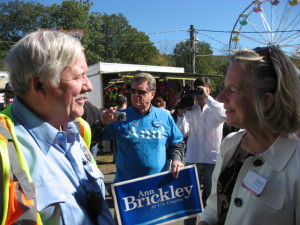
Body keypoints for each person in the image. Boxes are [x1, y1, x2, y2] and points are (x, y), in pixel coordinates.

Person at [2, 31, 114, 225]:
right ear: (40, 85)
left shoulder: (78, 128)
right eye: (79, 76)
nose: (89, 86)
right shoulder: (4, 146)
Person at [199, 46, 300, 225]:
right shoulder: (230, 144)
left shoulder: (296, 163)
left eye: (233, 89)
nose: (221, 97)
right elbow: (214, 205)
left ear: (266, 101)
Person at [101, 73, 185, 183]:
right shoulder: (119, 116)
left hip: (157, 184)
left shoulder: (164, 116)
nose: (136, 95)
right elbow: (94, 139)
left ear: (152, 94)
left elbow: (177, 143)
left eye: (141, 92)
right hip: (127, 186)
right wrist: (102, 124)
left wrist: (177, 160)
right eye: (133, 91)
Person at [177, 77, 226, 219]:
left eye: (202, 89)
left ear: (208, 89)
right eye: (197, 89)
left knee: (213, 201)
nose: (199, 93)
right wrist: (181, 114)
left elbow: (223, 115)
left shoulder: (216, 107)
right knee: (190, 202)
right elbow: (182, 132)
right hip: (192, 159)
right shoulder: (191, 108)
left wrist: (207, 97)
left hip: (212, 160)